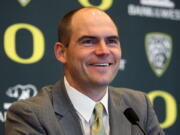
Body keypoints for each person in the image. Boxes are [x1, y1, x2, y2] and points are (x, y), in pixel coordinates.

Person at [5, 7, 165, 135]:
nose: (103, 51)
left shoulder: (139, 106)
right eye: (88, 41)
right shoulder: (31, 115)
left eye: (111, 41)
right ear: (61, 52)